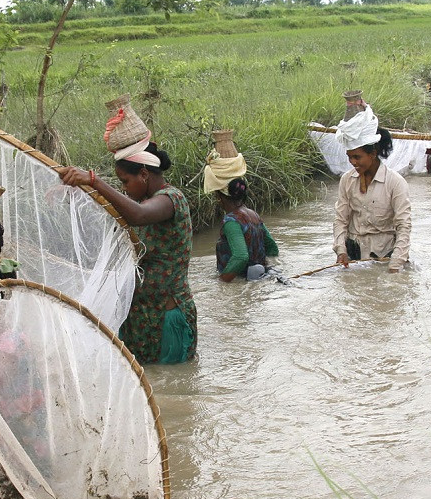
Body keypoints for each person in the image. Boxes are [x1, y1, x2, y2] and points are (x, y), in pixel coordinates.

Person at [60, 139, 196, 364]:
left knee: (170, 383)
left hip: (165, 318)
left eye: (125, 181)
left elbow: (139, 215)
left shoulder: (171, 199)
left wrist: (94, 181)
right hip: (140, 317)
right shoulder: (143, 200)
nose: (124, 187)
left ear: (144, 174)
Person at [332, 104, 412, 272]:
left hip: (385, 256)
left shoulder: (395, 182)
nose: (352, 162)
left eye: (357, 157)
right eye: (349, 157)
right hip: (354, 255)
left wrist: (395, 264)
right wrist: (341, 250)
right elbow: (341, 220)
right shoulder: (347, 180)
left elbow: (403, 226)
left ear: (373, 154)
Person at [212, 178, 278, 281]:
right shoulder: (254, 215)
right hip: (260, 275)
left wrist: (222, 281)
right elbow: (273, 248)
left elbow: (241, 257)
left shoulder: (231, 222)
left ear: (221, 198)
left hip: (241, 280)